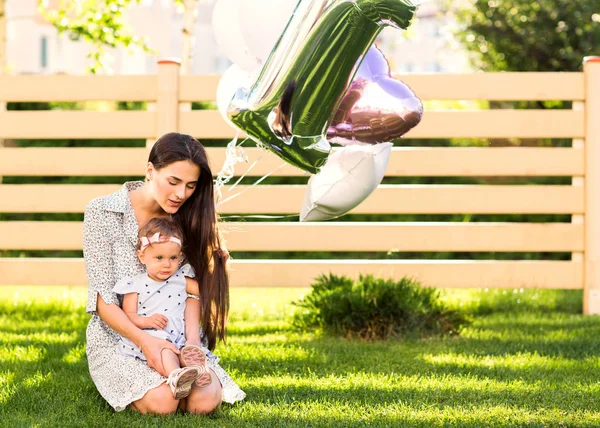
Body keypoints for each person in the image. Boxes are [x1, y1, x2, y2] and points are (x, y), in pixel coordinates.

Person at [83, 132, 245, 414]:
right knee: (163, 403)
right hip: (122, 339)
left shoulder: (188, 216)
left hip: (181, 339)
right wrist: (146, 342)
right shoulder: (103, 211)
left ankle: (186, 371)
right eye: (173, 182)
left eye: (191, 185)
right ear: (150, 171)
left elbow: (196, 294)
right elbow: (102, 298)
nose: (181, 194)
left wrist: (192, 342)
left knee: (203, 402)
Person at [113, 217, 213, 399]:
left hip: (180, 335)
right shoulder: (134, 285)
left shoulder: (181, 279)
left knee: (188, 352)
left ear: (180, 257)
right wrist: (147, 321)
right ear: (142, 256)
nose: (167, 264)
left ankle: (199, 371)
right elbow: (129, 315)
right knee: (166, 351)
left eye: (173, 258)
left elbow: (205, 292)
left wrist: (216, 262)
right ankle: (176, 377)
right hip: (155, 335)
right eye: (159, 258)